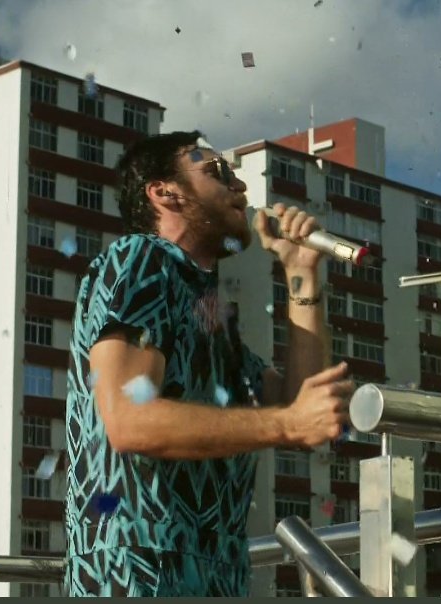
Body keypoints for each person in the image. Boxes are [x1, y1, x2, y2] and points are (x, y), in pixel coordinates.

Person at [63, 130, 352, 597]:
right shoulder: (141, 258)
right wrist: (289, 423)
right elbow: (130, 422)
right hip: (139, 568)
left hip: (213, 570)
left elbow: (299, 403)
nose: (239, 188)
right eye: (218, 172)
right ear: (164, 192)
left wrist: (300, 271)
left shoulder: (207, 308)